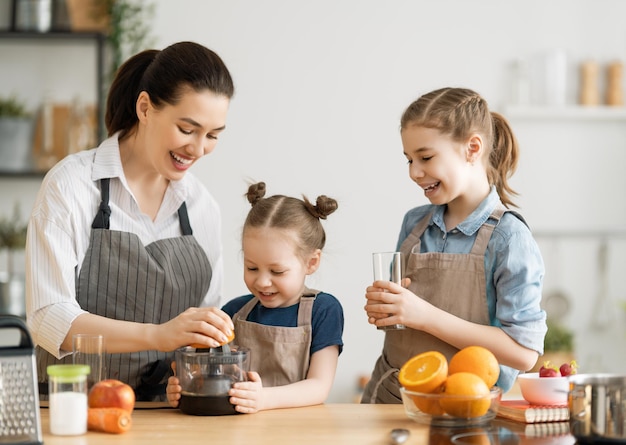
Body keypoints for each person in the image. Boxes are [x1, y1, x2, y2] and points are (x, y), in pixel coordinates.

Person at [26, 41, 236, 401]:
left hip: (168, 415)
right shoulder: (72, 186)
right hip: (72, 407)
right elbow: (50, 318)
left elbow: (206, 317)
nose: (199, 149)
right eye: (187, 129)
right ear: (145, 108)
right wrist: (158, 335)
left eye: (213, 135)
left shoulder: (202, 206)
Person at [362, 87, 547, 404]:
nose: (414, 172)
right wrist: (387, 307)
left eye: (425, 157)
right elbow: (403, 316)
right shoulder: (414, 223)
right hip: (392, 399)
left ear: (472, 148)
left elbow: (524, 353)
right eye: (408, 159)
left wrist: (424, 316)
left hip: (465, 407)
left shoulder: (509, 238)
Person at [166, 182, 344, 413]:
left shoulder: (324, 310)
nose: (262, 282)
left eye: (277, 271)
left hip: (299, 429)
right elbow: (211, 375)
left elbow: (319, 387)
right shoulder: (235, 312)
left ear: (311, 262)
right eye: (252, 268)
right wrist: (185, 387)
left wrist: (264, 399)